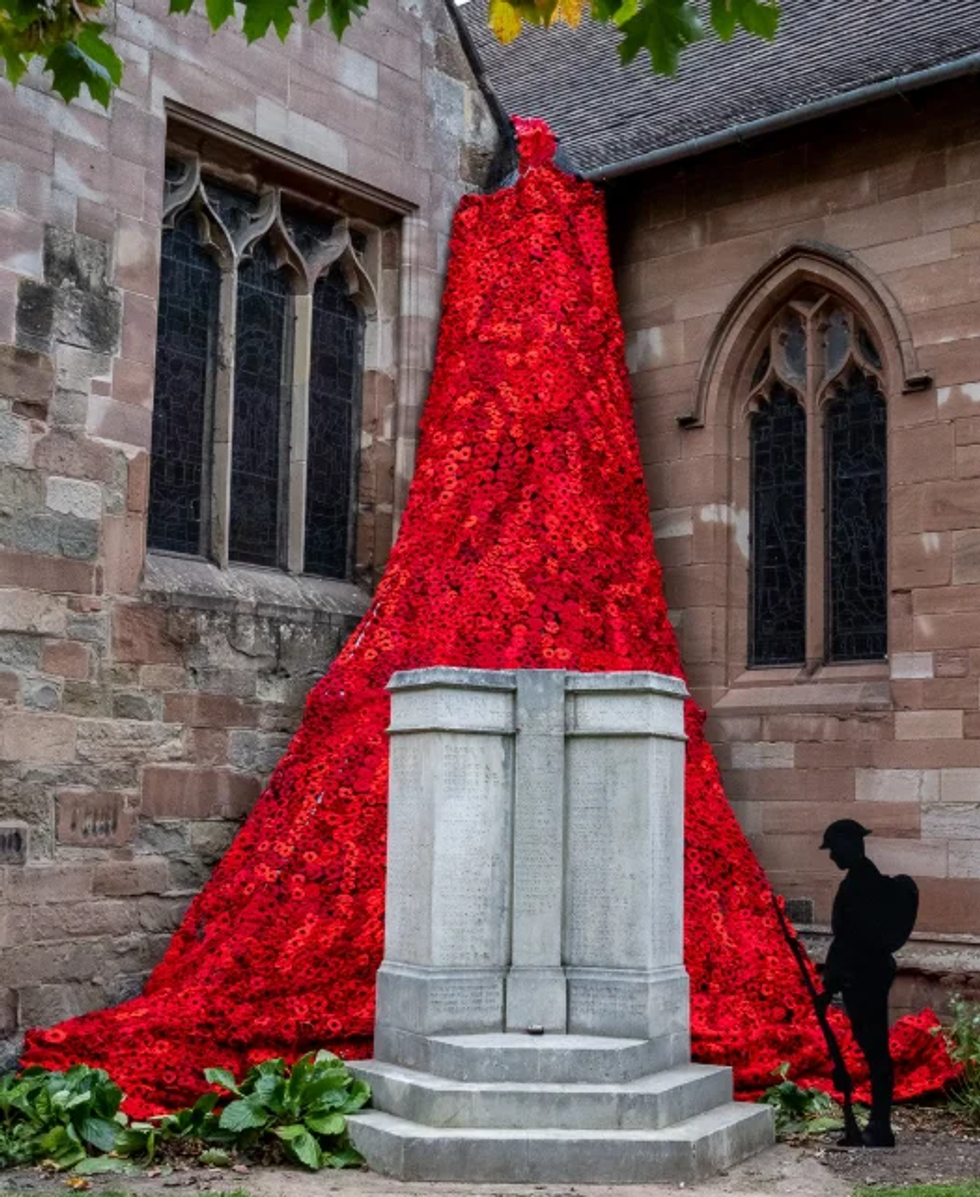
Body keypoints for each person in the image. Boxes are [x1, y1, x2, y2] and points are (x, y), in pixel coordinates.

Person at [817, 819, 897, 1149]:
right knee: (874, 1049)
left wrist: (828, 985)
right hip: (867, 974)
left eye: (834, 848)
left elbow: (848, 941)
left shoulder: (860, 884)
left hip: (864, 976)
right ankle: (878, 1124)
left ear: (851, 845)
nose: (832, 856)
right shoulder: (864, 878)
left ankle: (880, 1126)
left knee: (876, 1051)